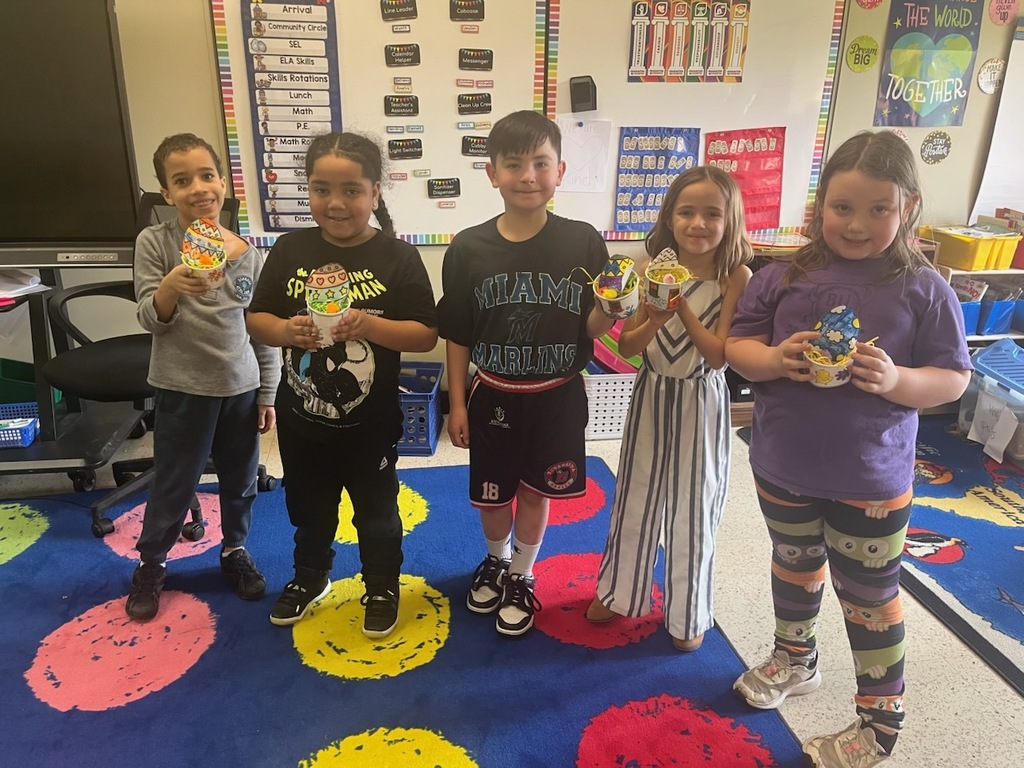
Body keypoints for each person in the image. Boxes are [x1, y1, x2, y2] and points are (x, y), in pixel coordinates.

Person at [725, 130, 972, 767]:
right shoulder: (783, 275)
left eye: (877, 210)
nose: (857, 224)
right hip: (783, 464)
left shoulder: (925, 289)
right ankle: (795, 656)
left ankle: (880, 720)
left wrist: (898, 381)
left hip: (871, 478)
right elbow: (738, 347)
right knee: (794, 563)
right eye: (842, 208)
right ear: (818, 207)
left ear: (909, 207)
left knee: (867, 594)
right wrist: (774, 360)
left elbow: (952, 376)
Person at [247, 131, 438, 638]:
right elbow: (256, 318)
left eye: (352, 190)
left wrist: (370, 326)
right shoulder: (289, 249)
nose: (335, 203)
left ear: (375, 193)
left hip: (370, 423)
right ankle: (311, 576)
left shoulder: (399, 258)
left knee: (376, 513)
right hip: (300, 419)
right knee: (309, 509)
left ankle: (381, 584)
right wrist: (285, 331)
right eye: (321, 188)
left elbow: (425, 334)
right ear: (308, 191)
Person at [437, 110, 616, 637]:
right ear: (491, 172)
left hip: (557, 394)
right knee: (491, 492)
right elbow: (459, 332)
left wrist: (618, 307)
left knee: (536, 492)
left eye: (540, 163)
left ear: (559, 171)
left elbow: (594, 322)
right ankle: (495, 558)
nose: (527, 175)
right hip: (491, 392)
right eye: (513, 164)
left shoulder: (582, 241)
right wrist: (458, 403)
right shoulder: (468, 247)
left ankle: (522, 571)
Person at [585, 166, 753, 652]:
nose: (697, 223)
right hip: (651, 394)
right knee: (636, 494)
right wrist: (655, 313)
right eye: (686, 212)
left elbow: (719, 355)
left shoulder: (734, 276)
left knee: (695, 506)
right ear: (669, 217)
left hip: (702, 399)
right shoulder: (648, 268)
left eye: (711, 214)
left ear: (730, 220)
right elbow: (631, 345)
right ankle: (619, 592)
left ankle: (688, 611)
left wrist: (679, 308)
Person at [127, 133, 279, 621]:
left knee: (240, 478)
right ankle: (152, 561)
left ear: (223, 182)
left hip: (239, 384)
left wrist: (267, 391)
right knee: (174, 481)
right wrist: (172, 284)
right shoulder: (156, 241)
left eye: (206, 175)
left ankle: (234, 550)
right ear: (167, 194)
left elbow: (261, 329)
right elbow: (150, 317)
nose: (198, 188)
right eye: (181, 180)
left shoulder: (248, 254)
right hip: (182, 387)